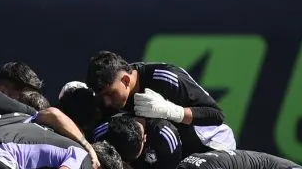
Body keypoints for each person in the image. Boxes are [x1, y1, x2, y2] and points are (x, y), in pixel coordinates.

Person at [86, 52, 235, 156]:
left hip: (211, 146)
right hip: (173, 155)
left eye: (110, 94)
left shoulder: (166, 78)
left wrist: (171, 111)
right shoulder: (108, 94)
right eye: (102, 96)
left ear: (125, 80)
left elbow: (216, 116)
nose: (107, 102)